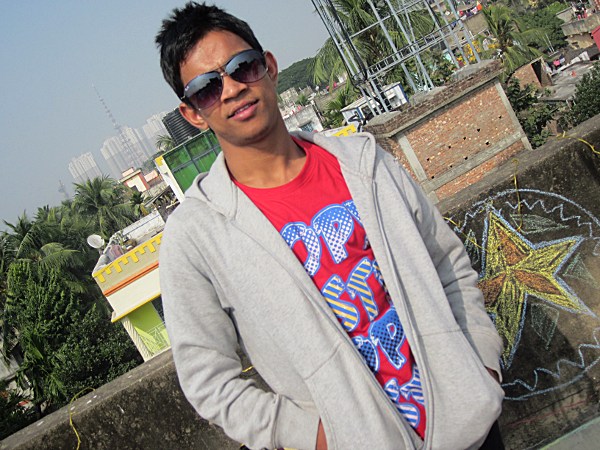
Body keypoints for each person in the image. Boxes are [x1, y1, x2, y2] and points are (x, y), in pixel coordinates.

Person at [155, 2, 504, 449]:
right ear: (192, 113)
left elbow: (448, 263)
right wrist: (311, 435)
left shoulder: (364, 164)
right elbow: (208, 380)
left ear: (269, 67)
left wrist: (481, 361)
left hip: (470, 425)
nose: (232, 89)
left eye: (242, 67)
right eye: (206, 88)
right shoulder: (196, 235)